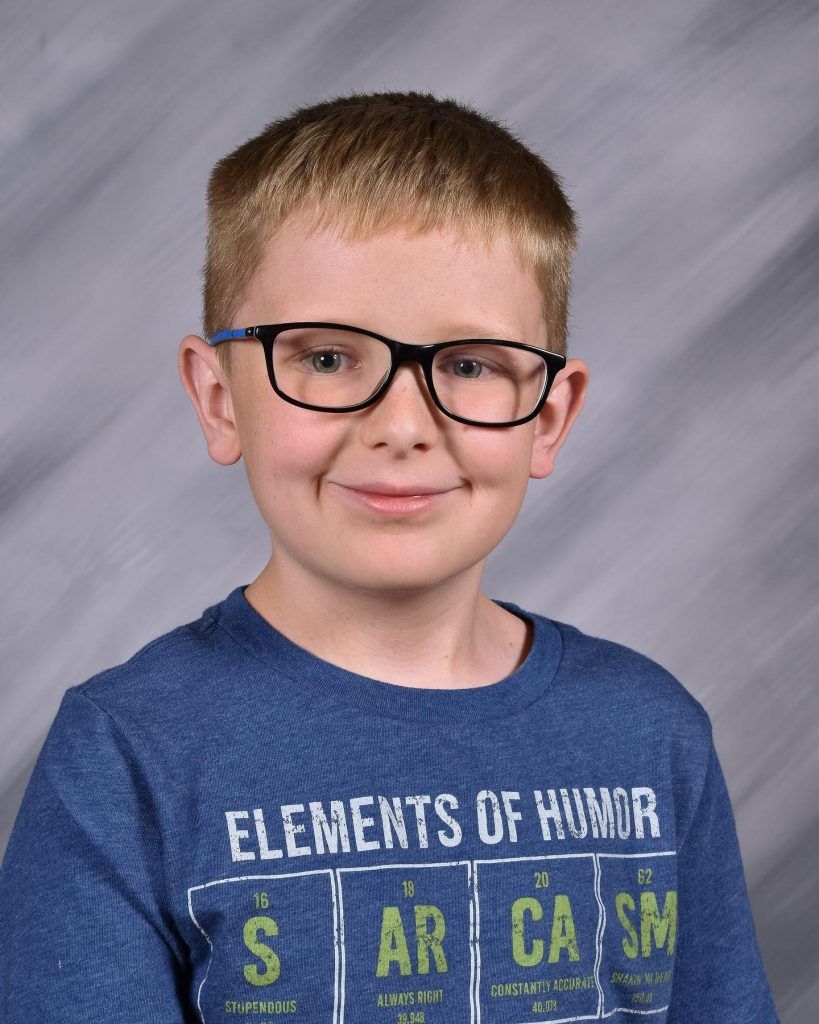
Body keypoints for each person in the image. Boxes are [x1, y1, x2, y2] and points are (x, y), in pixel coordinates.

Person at [0, 90, 779, 1023]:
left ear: (550, 416)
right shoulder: (125, 754)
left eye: (471, 364)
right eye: (326, 359)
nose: (402, 426)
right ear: (217, 399)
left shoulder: (652, 733)